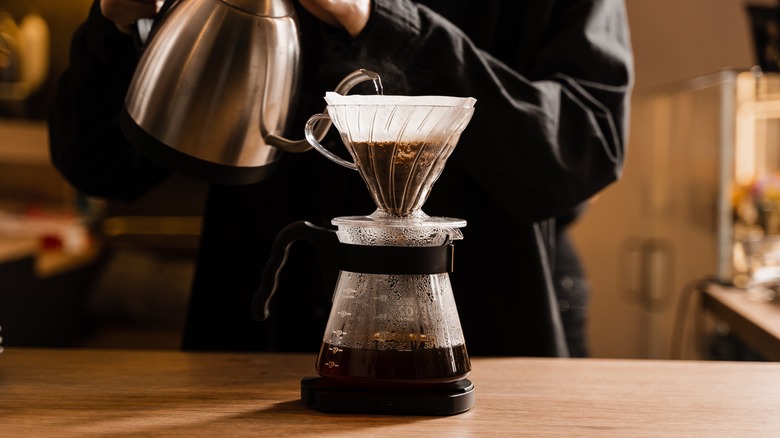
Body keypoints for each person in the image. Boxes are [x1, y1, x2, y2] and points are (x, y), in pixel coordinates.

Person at [49, 0, 633, 357]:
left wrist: (379, 20)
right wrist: (116, 23)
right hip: (258, 338)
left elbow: (585, 147)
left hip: (486, 331)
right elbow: (100, 165)